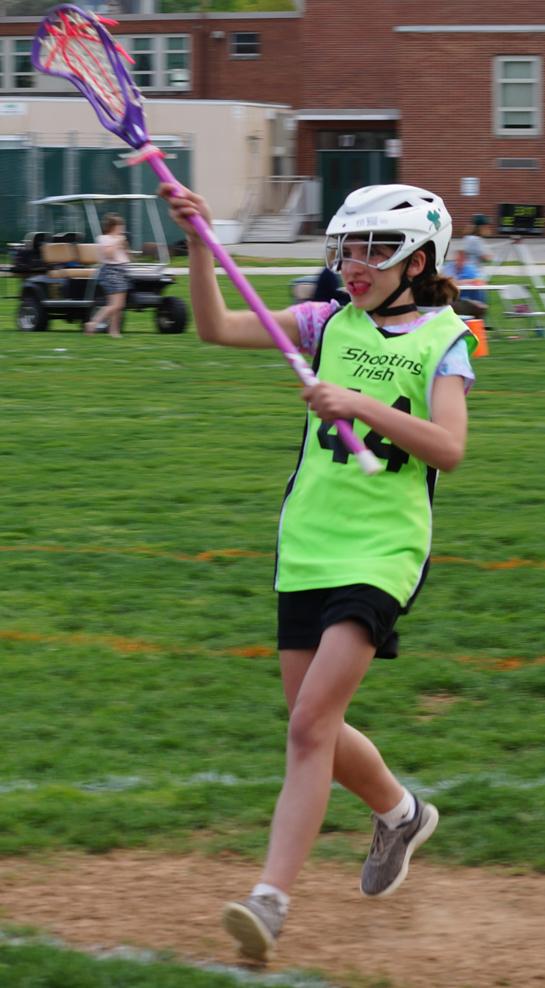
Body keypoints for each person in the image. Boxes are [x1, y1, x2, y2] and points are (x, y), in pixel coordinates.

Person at [159, 181, 476, 963]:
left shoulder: (445, 337)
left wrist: (358, 403)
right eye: (347, 248)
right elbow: (215, 326)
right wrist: (199, 243)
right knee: (315, 723)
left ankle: (268, 902)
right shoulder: (322, 322)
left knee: (307, 727)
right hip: (306, 544)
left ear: (416, 261)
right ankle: (400, 814)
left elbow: (448, 448)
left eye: (373, 250)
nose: (353, 264)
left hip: (382, 551)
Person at [85, 213, 130, 338]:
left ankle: (114, 331)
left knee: (118, 305)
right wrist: (117, 241)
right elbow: (109, 255)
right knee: (116, 305)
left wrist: (124, 246)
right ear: (113, 226)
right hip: (112, 271)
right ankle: (93, 323)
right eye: (120, 226)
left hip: (121, 270)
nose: (122, 228)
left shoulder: (118, 239)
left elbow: (125, 255)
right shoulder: (104, 239)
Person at [442, 247, 488, 318]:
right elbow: (448, 282)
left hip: (470, 300)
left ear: (465, 260)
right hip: (453, 301)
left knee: (480, 307)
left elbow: (481, 281)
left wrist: (473, 281)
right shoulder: (449, 268)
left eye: (462, 259)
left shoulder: (470, 269)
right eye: (458, 259)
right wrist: (470, 281)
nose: (459, 262)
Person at [462, 213, 493, 280]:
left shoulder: (467, 238)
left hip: (466, 272)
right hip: (476, 274)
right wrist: (490, 257)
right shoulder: (477, 240)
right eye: (486, 225)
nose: (488, 227)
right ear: (480, 227)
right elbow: (485, 258)